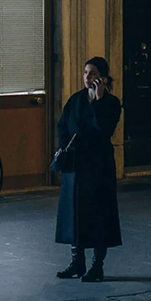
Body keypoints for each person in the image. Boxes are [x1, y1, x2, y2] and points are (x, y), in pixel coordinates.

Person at [55, 56, 122, 283]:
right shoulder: (75, 100)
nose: (87, 77)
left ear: (103, 78)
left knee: (98, 214)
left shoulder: (111, 104)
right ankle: (77, 262)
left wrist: (97, 103)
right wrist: (65, 146)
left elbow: (103, 130)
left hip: (98, 166)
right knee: (74, 213)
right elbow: (63, 126)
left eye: (92, 74)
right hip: (76, 165)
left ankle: (97, 265)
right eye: (85, 73)